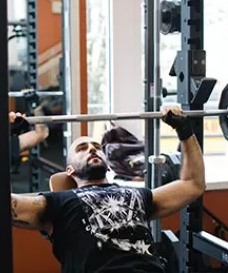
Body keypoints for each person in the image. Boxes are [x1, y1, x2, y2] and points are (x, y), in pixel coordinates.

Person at [11, 106, 206, 273]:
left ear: (108, 163)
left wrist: (185, 130)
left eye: (96, 146)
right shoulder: (59, 202)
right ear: (69, 170)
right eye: (82, 149)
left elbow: (193, 184)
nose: (92, 149)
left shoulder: (137, 195)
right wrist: (3, 139)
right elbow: (0, 204)